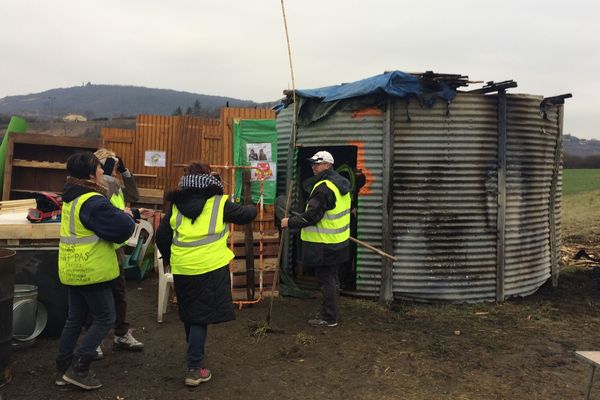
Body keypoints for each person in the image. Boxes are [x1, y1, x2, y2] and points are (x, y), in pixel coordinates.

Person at [156, 162, 257, 387]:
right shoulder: (219, 203)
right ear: (209, 181)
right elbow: (246, 215)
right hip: (210, 268)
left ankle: (193, 352)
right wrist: (254, 207)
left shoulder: (175, 206)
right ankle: (194, 369)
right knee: (201, 317)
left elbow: (162, 235)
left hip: (183, 268)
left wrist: (169, 259)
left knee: (190, 312)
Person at [55, 151, 135, 390]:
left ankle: (63, 368)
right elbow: (122, 228)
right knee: (105, 317)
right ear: (90, 173)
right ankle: (79, 368)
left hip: (72, 268)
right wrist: (127, 217)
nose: (103, 172)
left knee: (75, 318)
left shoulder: (72, 197)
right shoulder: (93, 200)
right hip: (92, 270)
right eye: (99, 169)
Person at [281, 150, 351, 327]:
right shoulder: (341, 184)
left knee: (327, 281)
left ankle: (328, 317)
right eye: (312, 163)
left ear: (328, 165)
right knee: (332, 279)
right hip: (338, 243)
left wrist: (289, 222)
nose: (313, 167)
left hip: (324, 245)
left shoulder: (324, 187)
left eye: (317, 163)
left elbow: (312, 216)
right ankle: (331, 312)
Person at [89, 149, 147, 357]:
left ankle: (121, 334)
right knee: (95, 295)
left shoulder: (115, 185)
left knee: (119, 294)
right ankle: (93, 340)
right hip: (99, 249)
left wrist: (126, 172)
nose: (115, 171)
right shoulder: (98, 186)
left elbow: (134, 196)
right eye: (112, 167)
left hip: (116, 249)